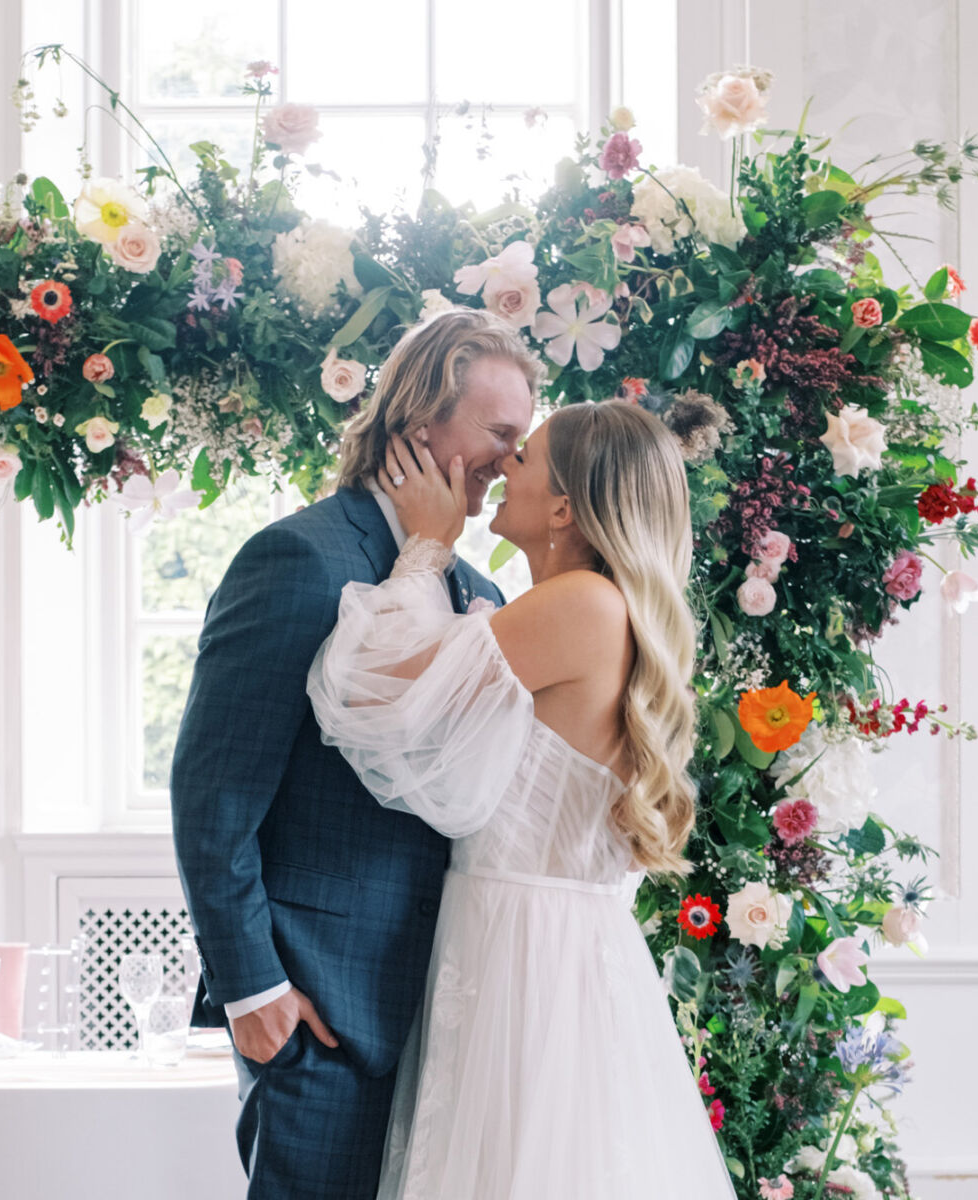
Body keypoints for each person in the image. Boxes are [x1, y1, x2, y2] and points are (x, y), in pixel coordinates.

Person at [307, 401, 735, 1197]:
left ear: (566, 508)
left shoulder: (580, 604)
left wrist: (428, 548)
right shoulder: (590, 607)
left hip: (528, 955)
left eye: (525, 456)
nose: (505, 465)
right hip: (540, 940)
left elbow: (370, 692)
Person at [170, 308, 537, 1198]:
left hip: (439, 1014)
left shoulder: (477, 588)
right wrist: (254, 993)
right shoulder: (298, 558)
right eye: (498, 434)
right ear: (421, 425)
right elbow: (211, 791)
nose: (509, 461)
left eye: (521, 442)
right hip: (315, 1012)